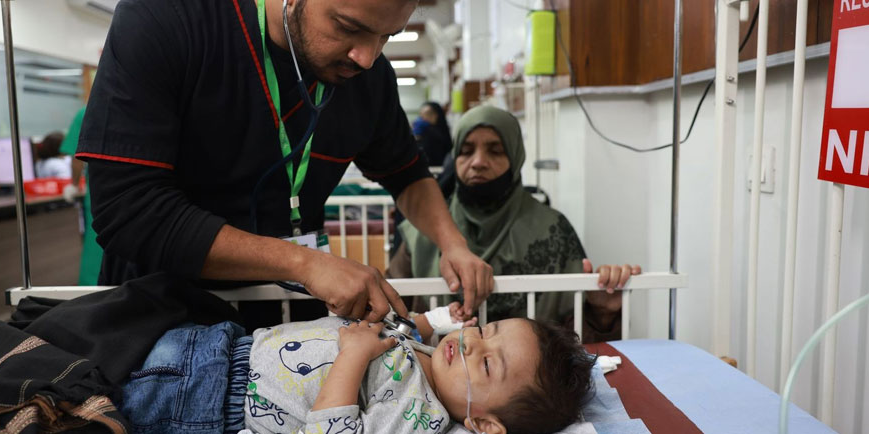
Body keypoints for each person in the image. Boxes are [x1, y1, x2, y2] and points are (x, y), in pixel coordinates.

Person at [76, 0, 492, 325]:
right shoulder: (167, 23)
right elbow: (128, 209)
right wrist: (304, 263)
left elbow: (406, 174)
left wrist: (453, 244)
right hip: (163, 315)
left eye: (387, 36)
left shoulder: (369, 77)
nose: (366, 57)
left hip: (290, 314)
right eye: (349, 27)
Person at [120, 305, 595, 434]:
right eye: (485, 330)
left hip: (208, 400)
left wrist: (351, 356)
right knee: (87, 359)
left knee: (85, 404)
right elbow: (399, 332)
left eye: (487, 361)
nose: (469, 342)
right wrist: (431, 322)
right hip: (223, 344)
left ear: (486, 423)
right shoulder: (429, 359)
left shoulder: (418, 417)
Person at [390, 105, 641, 341]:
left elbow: (577, 345)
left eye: (495, 151)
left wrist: (602, 314)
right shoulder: (423, 233)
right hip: (429, 380)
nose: (477, 162)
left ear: (515, 157)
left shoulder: (552, 231)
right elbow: (389, 316)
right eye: (466, 152)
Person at [60, 107, 104, 286]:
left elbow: (78, 155)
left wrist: (73, 184)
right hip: (139, 183)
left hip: (100, 187)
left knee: (97, 241)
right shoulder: (137, 106)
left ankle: (92, 287)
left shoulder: (87, 112)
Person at [414, 101, 453, 167]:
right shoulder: (424, 130)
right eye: (421, 114)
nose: (422, 117)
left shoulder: (433, 132)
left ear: (435, 115)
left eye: (426, 114)